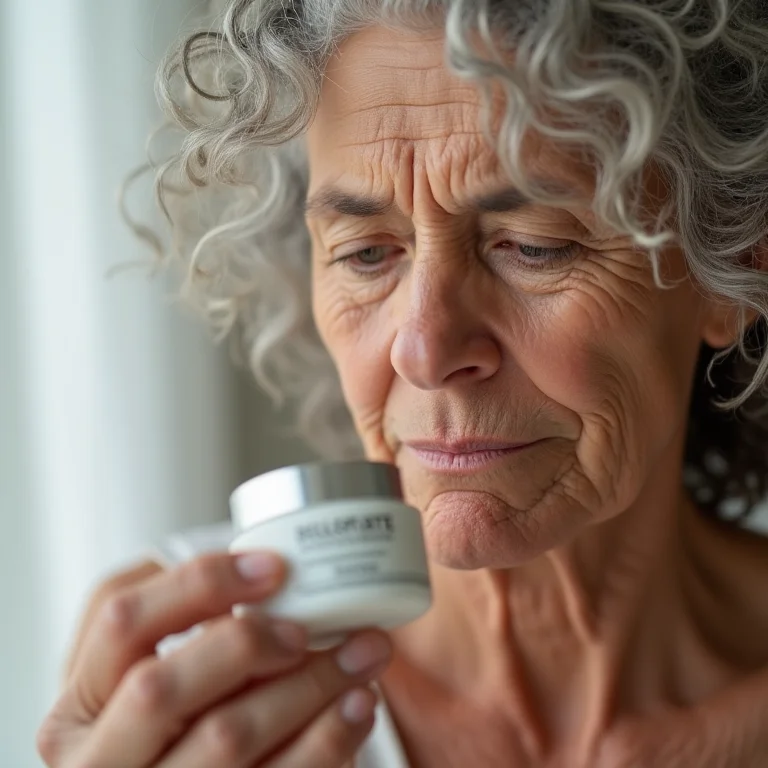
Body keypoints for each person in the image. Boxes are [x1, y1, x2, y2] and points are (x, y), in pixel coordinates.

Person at [37, 0, 768, 766]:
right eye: (365, 253)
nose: (422, 349)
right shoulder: (188, 674)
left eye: (535, 246)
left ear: (737, 262)